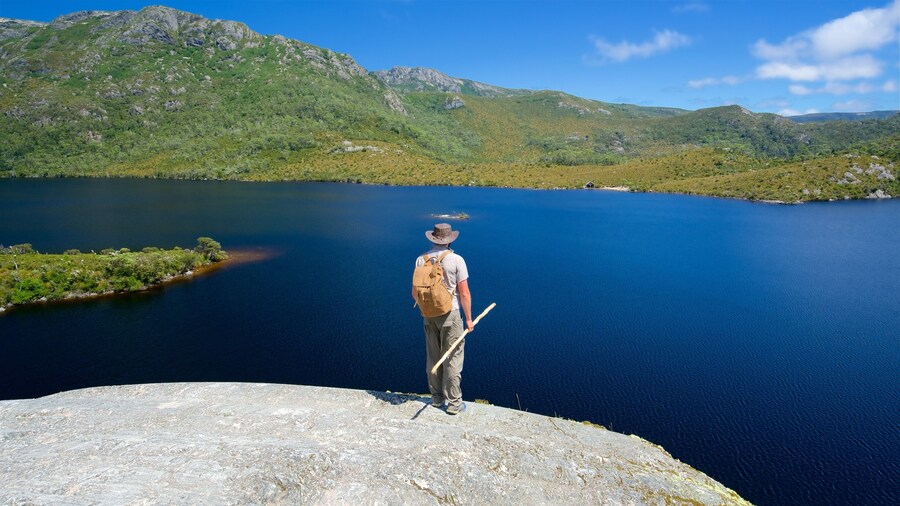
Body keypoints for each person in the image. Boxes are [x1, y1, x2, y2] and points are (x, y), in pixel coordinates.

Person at [413, 223, 473, 415]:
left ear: (433, 238)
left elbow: (414, 293)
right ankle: (454, 403)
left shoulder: (421, 260)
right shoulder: (456, 260)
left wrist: (427, 309)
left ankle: (437, 399)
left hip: (428, 315)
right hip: (450, 315)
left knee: (433, 357)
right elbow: (464, 293)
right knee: (452, 358)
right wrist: (469, 320)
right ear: (449, 240)